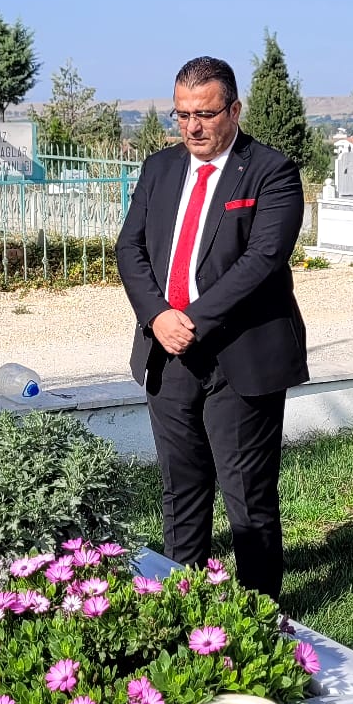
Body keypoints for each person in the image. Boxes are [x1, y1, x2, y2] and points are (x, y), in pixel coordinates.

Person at [115, 56, 308, 599]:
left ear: (234, 110)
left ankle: (260, 613)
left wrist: (192, 320)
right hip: (167, 351)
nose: (192, 127)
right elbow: (130, 248)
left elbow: (262, 260)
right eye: (182, 115)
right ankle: (185, 604)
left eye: (205, 114)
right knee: (181, 489)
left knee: (248, 496)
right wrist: (158, 316)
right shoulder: (160, 168)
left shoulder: (271, 171)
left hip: (240, 355)